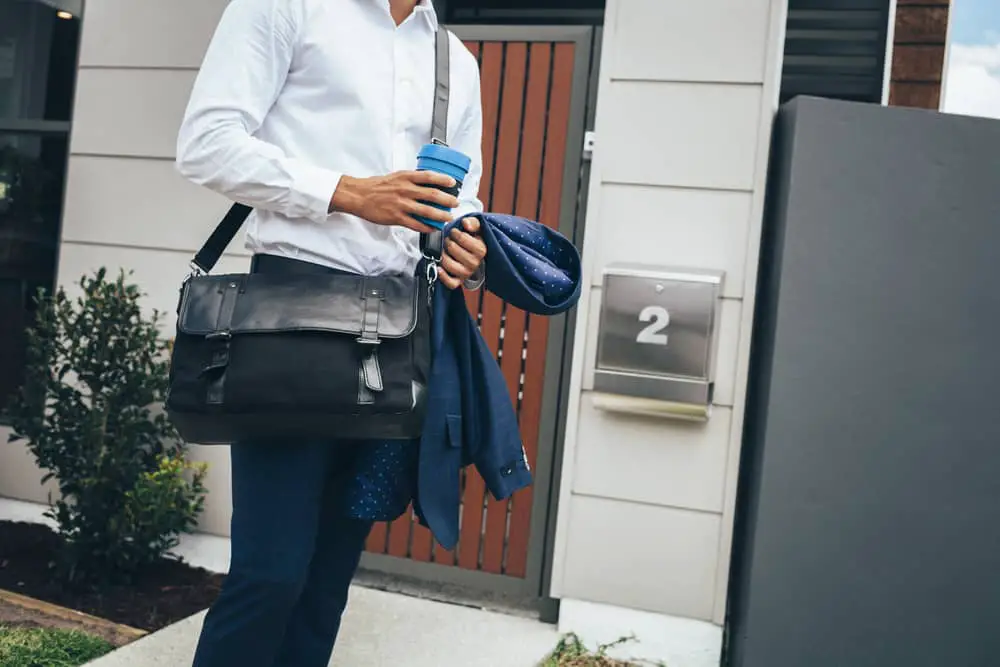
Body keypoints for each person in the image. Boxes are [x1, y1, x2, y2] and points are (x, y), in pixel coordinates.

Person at [174, 1, 486, 665]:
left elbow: (460, 200)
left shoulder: (455, 62)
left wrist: (464, 237)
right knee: (271, 575)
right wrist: (344, 191)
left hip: (397, 335)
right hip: (292, 320)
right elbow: (205, 143)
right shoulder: (285, 7)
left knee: (324, 589)